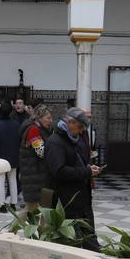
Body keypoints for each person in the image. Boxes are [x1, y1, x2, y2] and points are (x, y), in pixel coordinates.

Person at [46, 107, 101, 249]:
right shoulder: (55, 141)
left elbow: (78, 162)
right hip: (67, 203)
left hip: (82, 200)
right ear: (70, 122)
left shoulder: (72, 138)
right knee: (72, 244)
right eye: (80, 126)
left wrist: (88, 170)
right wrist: (86, 172)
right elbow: (59, 171)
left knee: (90, 240)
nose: (82, 131)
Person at [18, 104, 54, 216]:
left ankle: (44, 232)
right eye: (48, 118)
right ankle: (11, 231)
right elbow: (41, 152)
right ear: (39, 117)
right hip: (33, 178)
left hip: (40, 177)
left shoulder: (42, 130)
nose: (51, 121)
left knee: (45, 210)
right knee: (31, 210)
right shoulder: (33, 130)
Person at [0, 104, 21, 212]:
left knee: (1, 181)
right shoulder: (17, 125)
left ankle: (2, 205)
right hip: (14, 156)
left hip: (0, 157)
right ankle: (13, 203)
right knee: (13, 180)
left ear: (0, 112)